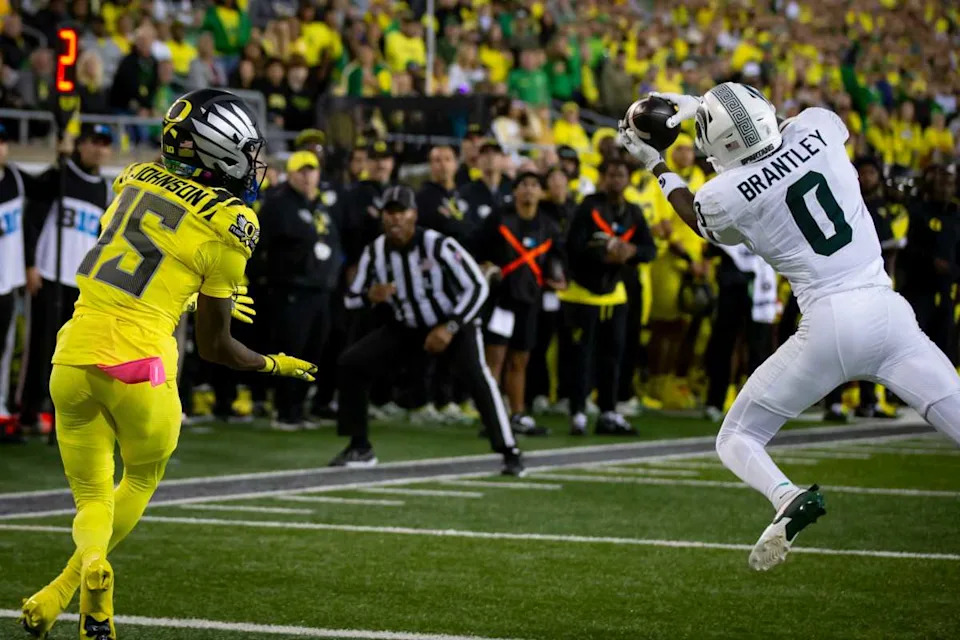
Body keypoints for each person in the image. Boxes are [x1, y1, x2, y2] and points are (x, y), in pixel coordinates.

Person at [618, 83, 960, 572]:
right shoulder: (818, 125)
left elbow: (695, 217)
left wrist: (656, 163)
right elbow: (777, 133)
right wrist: (699, 105)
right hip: (889, 313)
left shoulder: (725, 194)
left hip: (829, 327)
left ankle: (786, 495)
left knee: (736, 437)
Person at [18, 89, 316, 640]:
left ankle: (73, 584)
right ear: (217, 151)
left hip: (74, 354)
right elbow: (216, 347)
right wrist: (272, 364)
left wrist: (186, 294)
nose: (254, 166)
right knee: (142, 475)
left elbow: (144, 255)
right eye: (247, 153)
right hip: (143, 367)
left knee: (90, 495)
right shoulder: (234, 223)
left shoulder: (131, 179)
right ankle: (72, 583)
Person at [333, 185, 524, 476]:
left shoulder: (437, 244)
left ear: (414, 215)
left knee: (478, 377)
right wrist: (371, 295)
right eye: (390, 213)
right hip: (407, 326)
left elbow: (477, 285)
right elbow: (351, 297)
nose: (395, 219)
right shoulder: (376, 251)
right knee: (352, 363)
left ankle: (509, 450)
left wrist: (450, 327)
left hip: (452, 323)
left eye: (402, 212)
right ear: (382, 217)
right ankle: (360, 446)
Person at [20, 124, 114, 435]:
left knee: (71, 354)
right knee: (40, 347)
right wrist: (31, 264)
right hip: (49, 276)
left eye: (104, 144)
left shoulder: (101, 187)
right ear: (81, 145)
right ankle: (28, 411)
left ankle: (57, 410)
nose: (99, 149)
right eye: (94, 142)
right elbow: (32, 218)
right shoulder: (60, 176)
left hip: (80, 284)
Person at [559, 157, 656, 435]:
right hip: (583, 294)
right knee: (581, 357)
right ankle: (577, 410)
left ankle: (608, 411)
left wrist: (630, 252)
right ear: (602, 177)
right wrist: (604, 254)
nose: (616, 180)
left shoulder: (633, 212)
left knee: (613, 356)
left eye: (621, 175)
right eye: (611, 175)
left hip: (615, 295)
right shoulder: (588, 207)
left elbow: (649, 250)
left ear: (628, 179)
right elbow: (573, 246)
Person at [258, 150, 343, 429]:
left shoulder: (320, 205)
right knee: (291, 349)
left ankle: (299, 406)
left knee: (314, 350)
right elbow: (262, 246)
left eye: (312, 171)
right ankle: (284, 409)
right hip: (291, 290)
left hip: (320, 290)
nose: (307, 176)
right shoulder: (278, 204)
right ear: (291, 174)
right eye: (301, 171)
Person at [476, 171, 566, 435]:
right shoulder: (499, 219)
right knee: (495, 359)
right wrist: (485, 267)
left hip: (530, 301)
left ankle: (517, 414)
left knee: (520, 360)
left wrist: (560, 278)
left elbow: (559, 260)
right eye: (523, 185)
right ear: (514, 191)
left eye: (534, 185)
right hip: (502, 301)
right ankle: (491, 417)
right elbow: (475, 248)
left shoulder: (548, 225)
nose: (528, 190)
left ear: (541, 192)